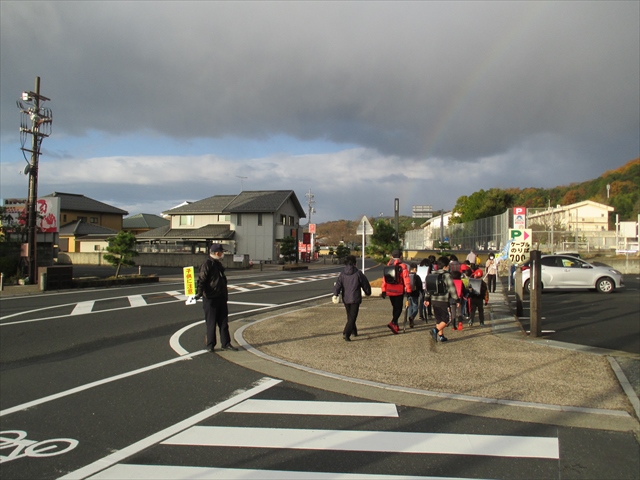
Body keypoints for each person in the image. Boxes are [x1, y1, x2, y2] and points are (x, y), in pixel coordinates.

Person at [195, 243, 238, 352]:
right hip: (210, 298)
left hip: (221, 297)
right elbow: (202, 279)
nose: (222, 254)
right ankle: (210, 344)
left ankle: (226, 343)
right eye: (221, 252)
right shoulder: (207, 264)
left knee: (223, 322)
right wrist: (199, 293)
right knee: (211, 322)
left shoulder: (218, 264)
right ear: (216, 253)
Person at [333, 255, 372, 341]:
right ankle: (346, 333)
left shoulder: (342, 273)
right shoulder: (358, 273)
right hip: (355, 297)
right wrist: (368, 292)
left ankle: (354, 331)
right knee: (353, 316)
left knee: (350, 315)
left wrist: (335, 294)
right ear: (354, 263)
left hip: (346, 298)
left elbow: (338, 284)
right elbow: (365, 284)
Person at [425, 256, 459, 343]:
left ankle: (441, 336)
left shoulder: (431, 274)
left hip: (433, 300)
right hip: (443, 300)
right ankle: (435, 330)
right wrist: (457, 299)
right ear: (445, 266)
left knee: (439, 319)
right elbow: (452, 288)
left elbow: (428, 288)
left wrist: (426, 298)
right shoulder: (447, 275)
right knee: (446, 320)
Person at [381, 249, 412, 334]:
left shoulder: (388, 265)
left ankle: (396, 325)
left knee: (395, 307)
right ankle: (393, 322)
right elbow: (406, 279)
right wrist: (409, 290)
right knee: (398, 308)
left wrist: (384, 290)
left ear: (392, 256)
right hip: (399, 290)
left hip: (390, 290)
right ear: (401, 256)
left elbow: (384, 279)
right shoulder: (402, 266)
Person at [406, 262, 424, 328]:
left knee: (410, 308)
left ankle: (411, 321)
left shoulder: (407, 276)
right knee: (416, 308)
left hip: (408, 294)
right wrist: (422, 292)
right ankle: (412, 317)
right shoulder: (416, 277)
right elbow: (420, 286)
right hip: (415, 294)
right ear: (414, 269)